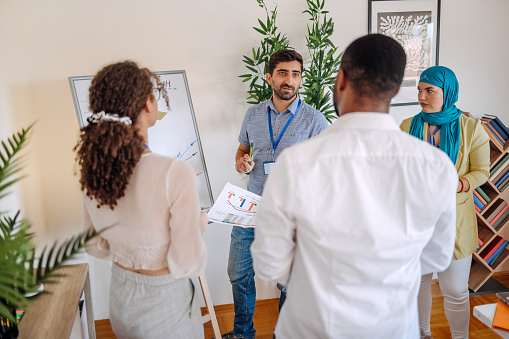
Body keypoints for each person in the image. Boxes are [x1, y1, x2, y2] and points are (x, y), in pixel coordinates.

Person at [251, 34, 459, 339]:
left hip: (310, 328)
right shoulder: (437, 167)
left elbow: (269, 263)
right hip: (393, 328)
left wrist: (314, 280)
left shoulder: (296, 163)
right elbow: (438, 257)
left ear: (341, 79)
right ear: (396, 88)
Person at [75, 61, 207, 339]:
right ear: (148, 105)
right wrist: (199, 224)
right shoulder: (175, 172)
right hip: (166, 304)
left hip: (121, 298)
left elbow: (94, 245)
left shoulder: (93, 170)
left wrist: (131, 247)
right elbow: (188, 263)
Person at [223, 49, 328, 339]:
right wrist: (240, 161)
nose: (289, 80)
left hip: (291, 214)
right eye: (283, 73)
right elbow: (242, 150)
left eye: (295, 74)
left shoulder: (316, 121)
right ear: (269, 77)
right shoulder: (253, 114)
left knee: (289, 282)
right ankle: (243, 332)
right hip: (250, 206)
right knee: (239, 273)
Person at [400, 65, 490, 339]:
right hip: (417, 222)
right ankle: (422, 334)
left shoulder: (472, 128)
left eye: (430, 90)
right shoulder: (407, 126)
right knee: (419, 284)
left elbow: (482, 171)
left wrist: (460, 183)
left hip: (454, 222)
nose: (422, 96)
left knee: (455, 290)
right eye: (419, 90)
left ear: (447, 91)